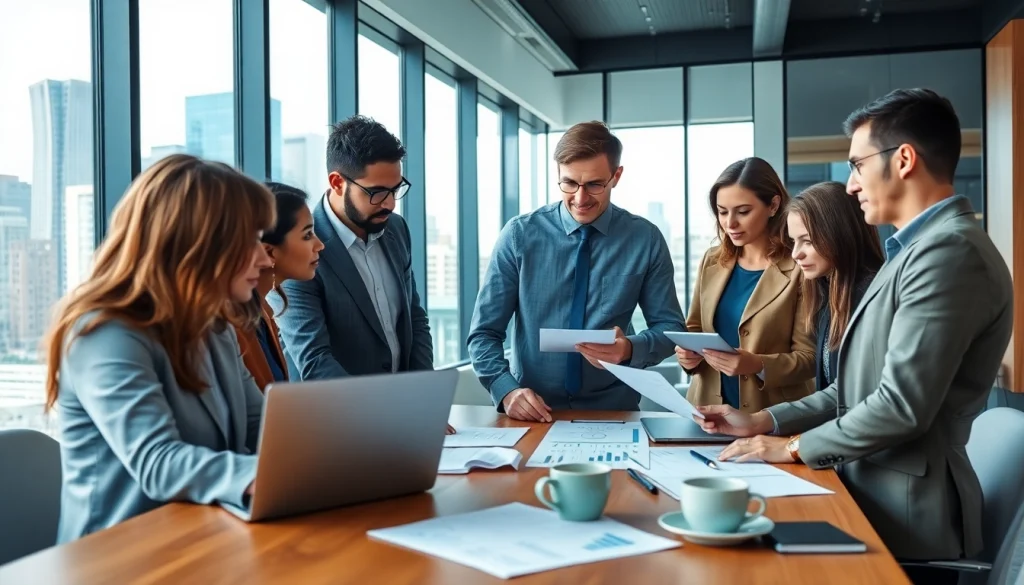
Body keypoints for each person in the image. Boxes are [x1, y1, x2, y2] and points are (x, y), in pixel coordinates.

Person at [695, 89, 1013, 584]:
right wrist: (763, 421)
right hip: (869, 492)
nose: (850, 185)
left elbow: (901, 407)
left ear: (903, 159)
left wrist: (793, 446)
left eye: (858, 164)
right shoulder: (913, 252)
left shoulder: (948, 254)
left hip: (905, 521)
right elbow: (852, 391)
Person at [45, 154, 274, 542]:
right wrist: (272, 474)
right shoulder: (104, 334)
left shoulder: (213, 326)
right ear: (198, 243)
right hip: (119, 559)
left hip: (203, 539)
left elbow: (261, 426)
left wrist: (334, 455)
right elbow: (158, 463)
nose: (264, 256)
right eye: (248, 239)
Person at [467, 121, 685, 421]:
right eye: (569, 183)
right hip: (532, 412)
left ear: (616, 176)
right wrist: (506, 390)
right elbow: (483, 334)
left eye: (595, 184)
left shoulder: (645, 239)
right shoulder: (519, 235)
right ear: (558, 172)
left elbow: (670, 329)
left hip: (615, 412)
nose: (580, 199)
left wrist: (630, 349)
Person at [270, 115, 433, 379]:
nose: (390, 204)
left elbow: (414, 319)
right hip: (333, 416)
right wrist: (380, 418)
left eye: (395, 189)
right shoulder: (298, 249)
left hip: (402, 412)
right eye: (377, 192)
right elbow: (314, 360)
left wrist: (423, 400)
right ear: (337, 183)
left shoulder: (397, 229)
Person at [678, 157, 815, 413]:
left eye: (743, 212)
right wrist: (687, 357)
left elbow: (810, 359)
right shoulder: (712, 260)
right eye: (722, 211)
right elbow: (694, 327)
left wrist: (757, 364)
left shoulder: (800, 267)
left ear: (773, 205)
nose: (730, 223)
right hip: (706, 412)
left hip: (772, 415)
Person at [787, 181, 884, 390]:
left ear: (840, 235)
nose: (796, 254)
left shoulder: (872, 298)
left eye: (808, 241)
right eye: (794, 241)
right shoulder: (829, 292)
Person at [234, 182, 324, 392]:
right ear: (269, 252)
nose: (320, 245)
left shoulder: (264, 308)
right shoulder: (233, 325)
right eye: (307, 235)